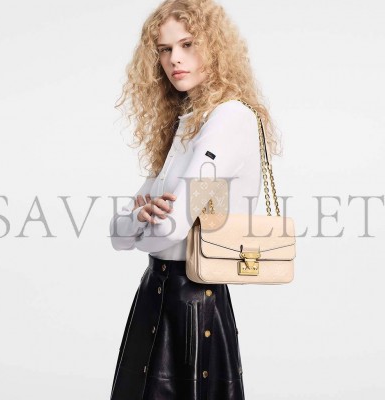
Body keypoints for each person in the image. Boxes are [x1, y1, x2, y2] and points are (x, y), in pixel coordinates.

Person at [109, 0, 281, 399]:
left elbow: (170, 227)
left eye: (187, 44)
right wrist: (139, 220)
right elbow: (118, 234)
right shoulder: (187, 122)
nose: (175, 59)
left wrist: (139, 222)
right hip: (156, 294)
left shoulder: (229, 119)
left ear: (214, 46)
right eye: (164, 49)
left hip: (193, 303)